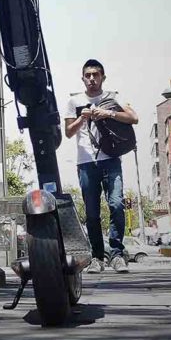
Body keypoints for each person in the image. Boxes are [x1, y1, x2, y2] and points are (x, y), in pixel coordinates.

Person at [63, 59, 139, 274]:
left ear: (103, 77)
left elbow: (133, 117)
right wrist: (82, 118)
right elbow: (68, 132)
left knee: (116, 204)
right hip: (86, 162)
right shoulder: (74, 101)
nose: (92, 79)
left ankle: (117, 254)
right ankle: (97, 257)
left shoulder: (113, 97)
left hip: (111, 158)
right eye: (88, 75)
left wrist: (109, 113)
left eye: (96, 75)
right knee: (92, 212)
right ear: (82, 78)